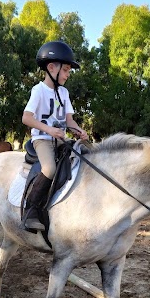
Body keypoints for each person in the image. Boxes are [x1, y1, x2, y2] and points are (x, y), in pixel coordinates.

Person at [22, 40, 88, 231]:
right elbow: (26, 118)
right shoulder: (39, 90)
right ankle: (31, 209)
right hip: (42, 140)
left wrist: (78, 130)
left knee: (85, 156)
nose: (68, 75)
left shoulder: (64, 93)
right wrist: (49, 129)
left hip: (61, 139)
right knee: (49, 168)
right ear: (51, 67)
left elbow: (69, 120)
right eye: (66, 70)